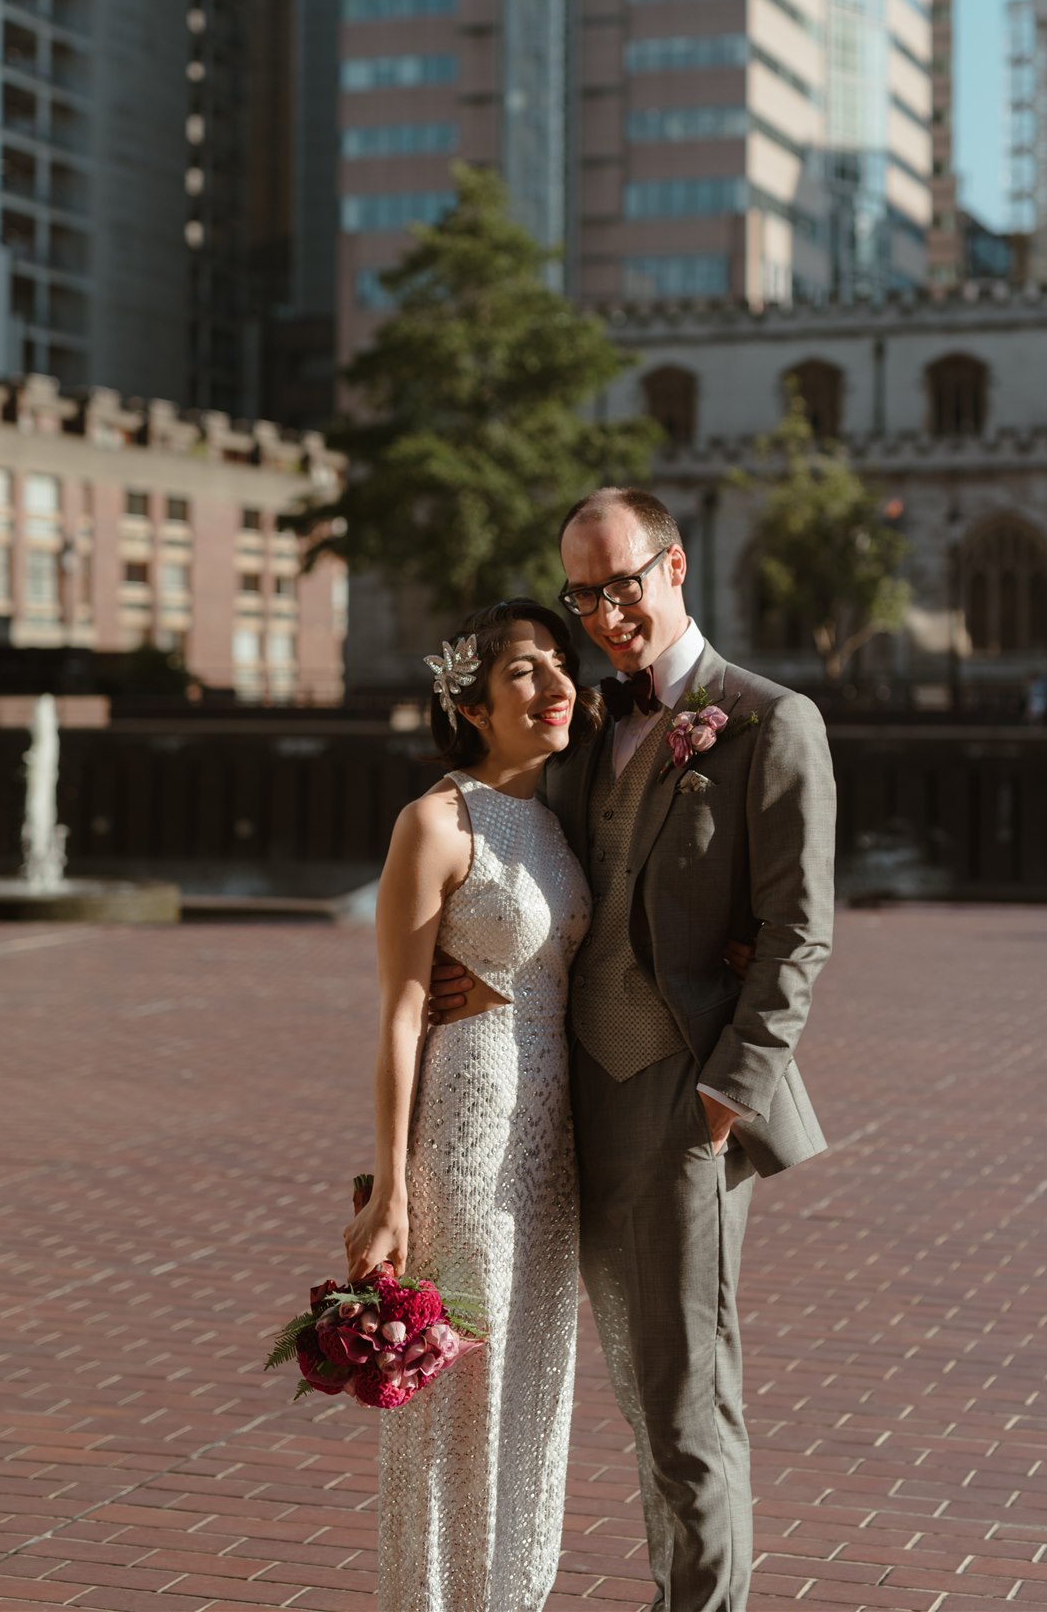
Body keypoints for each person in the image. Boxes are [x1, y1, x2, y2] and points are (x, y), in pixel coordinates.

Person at [433, 488, 836, 1612]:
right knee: (624, 1387)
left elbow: (798, 934)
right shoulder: (588, 721)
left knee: (685, 1400)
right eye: (584, 592)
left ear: (674, 566)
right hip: (566, 1099)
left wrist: (722, 1099)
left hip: (680, 1101)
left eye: (622, 582)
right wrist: (463, 973)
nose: (606, 611)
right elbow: (519, 865)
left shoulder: (767, 720)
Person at [341, 598, 595, 1612]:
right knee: (462, 1390)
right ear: (472, 702)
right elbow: (400, 1013)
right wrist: (393, 1191)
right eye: (525, 669)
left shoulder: (556, 818)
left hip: (554, 1140)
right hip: (468, 1127)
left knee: (532, 1378)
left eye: (559, 664)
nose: (555, 683)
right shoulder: (435, 822)